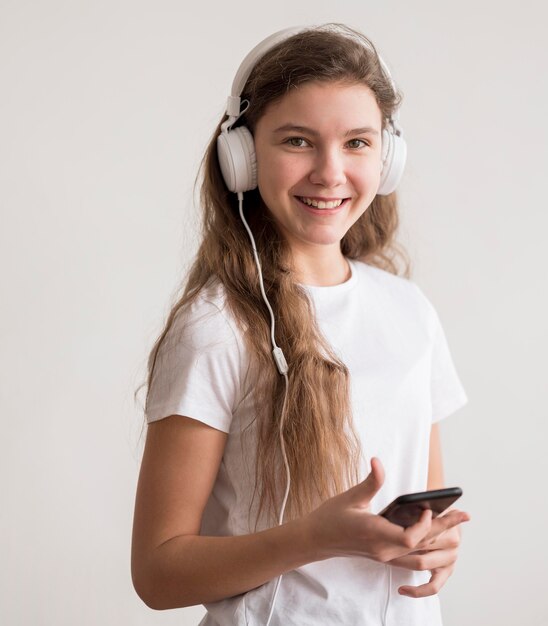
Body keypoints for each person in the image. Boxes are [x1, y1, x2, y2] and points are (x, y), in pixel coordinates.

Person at [131, 23, 471, 626]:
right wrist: (314, 538)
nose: (330, 172)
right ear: (242, 156)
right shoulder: (216, 327)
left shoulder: (409, 310)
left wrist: (436, 544)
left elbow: (424, 504)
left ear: (387, 157)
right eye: (298, 140)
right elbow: (158, 573)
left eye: (358, 143)